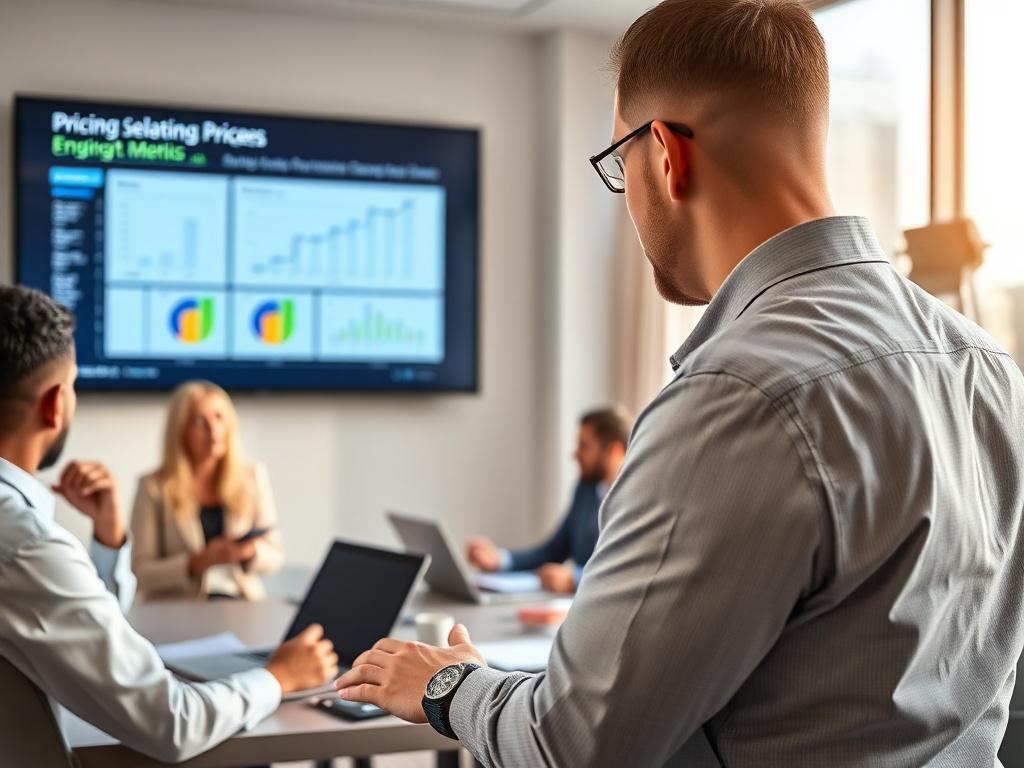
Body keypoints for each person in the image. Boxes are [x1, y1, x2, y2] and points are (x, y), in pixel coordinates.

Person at [334, 1, 1024, 766]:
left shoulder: (736, 394)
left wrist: (450, 687)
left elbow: (579, 744)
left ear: (665, 155)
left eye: (616, 167)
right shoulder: (989, 368)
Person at [0, 285, 338, 763]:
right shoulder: (25, 541)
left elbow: (80, 630)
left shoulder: (22, 539)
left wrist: (108, 536)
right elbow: (171, 721)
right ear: (56, 403)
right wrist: (278, 677)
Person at [131, 380, 283, 601]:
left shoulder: (252, 476)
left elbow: (275, 555)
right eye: (200, 421)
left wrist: (248, 553)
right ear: (180, 430)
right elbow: (141, 573)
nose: (213, 430)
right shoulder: (153, 486)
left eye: (219, 418)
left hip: (240, 603)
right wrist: (199, 561)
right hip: (178, 609)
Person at [465, 407, 630, 594]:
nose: (574, 455)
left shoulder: (635, 501)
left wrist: (574, 580)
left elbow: (631, 570)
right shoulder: (586, 490)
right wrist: (499, 559)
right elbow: (553, 551)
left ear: (614, 451)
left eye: (584, 446)